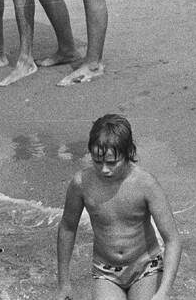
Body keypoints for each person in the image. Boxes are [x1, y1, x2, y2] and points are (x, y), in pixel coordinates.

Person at [56, 114, 181, 300]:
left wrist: (163, 292)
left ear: (128, 152)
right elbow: (67, 228)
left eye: (112, 162)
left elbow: (172, 240)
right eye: (97, 161)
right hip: (105, 272)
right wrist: (64, 284)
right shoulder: (81, 183)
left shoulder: (146, 184)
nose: (104, 169)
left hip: (145, 267)